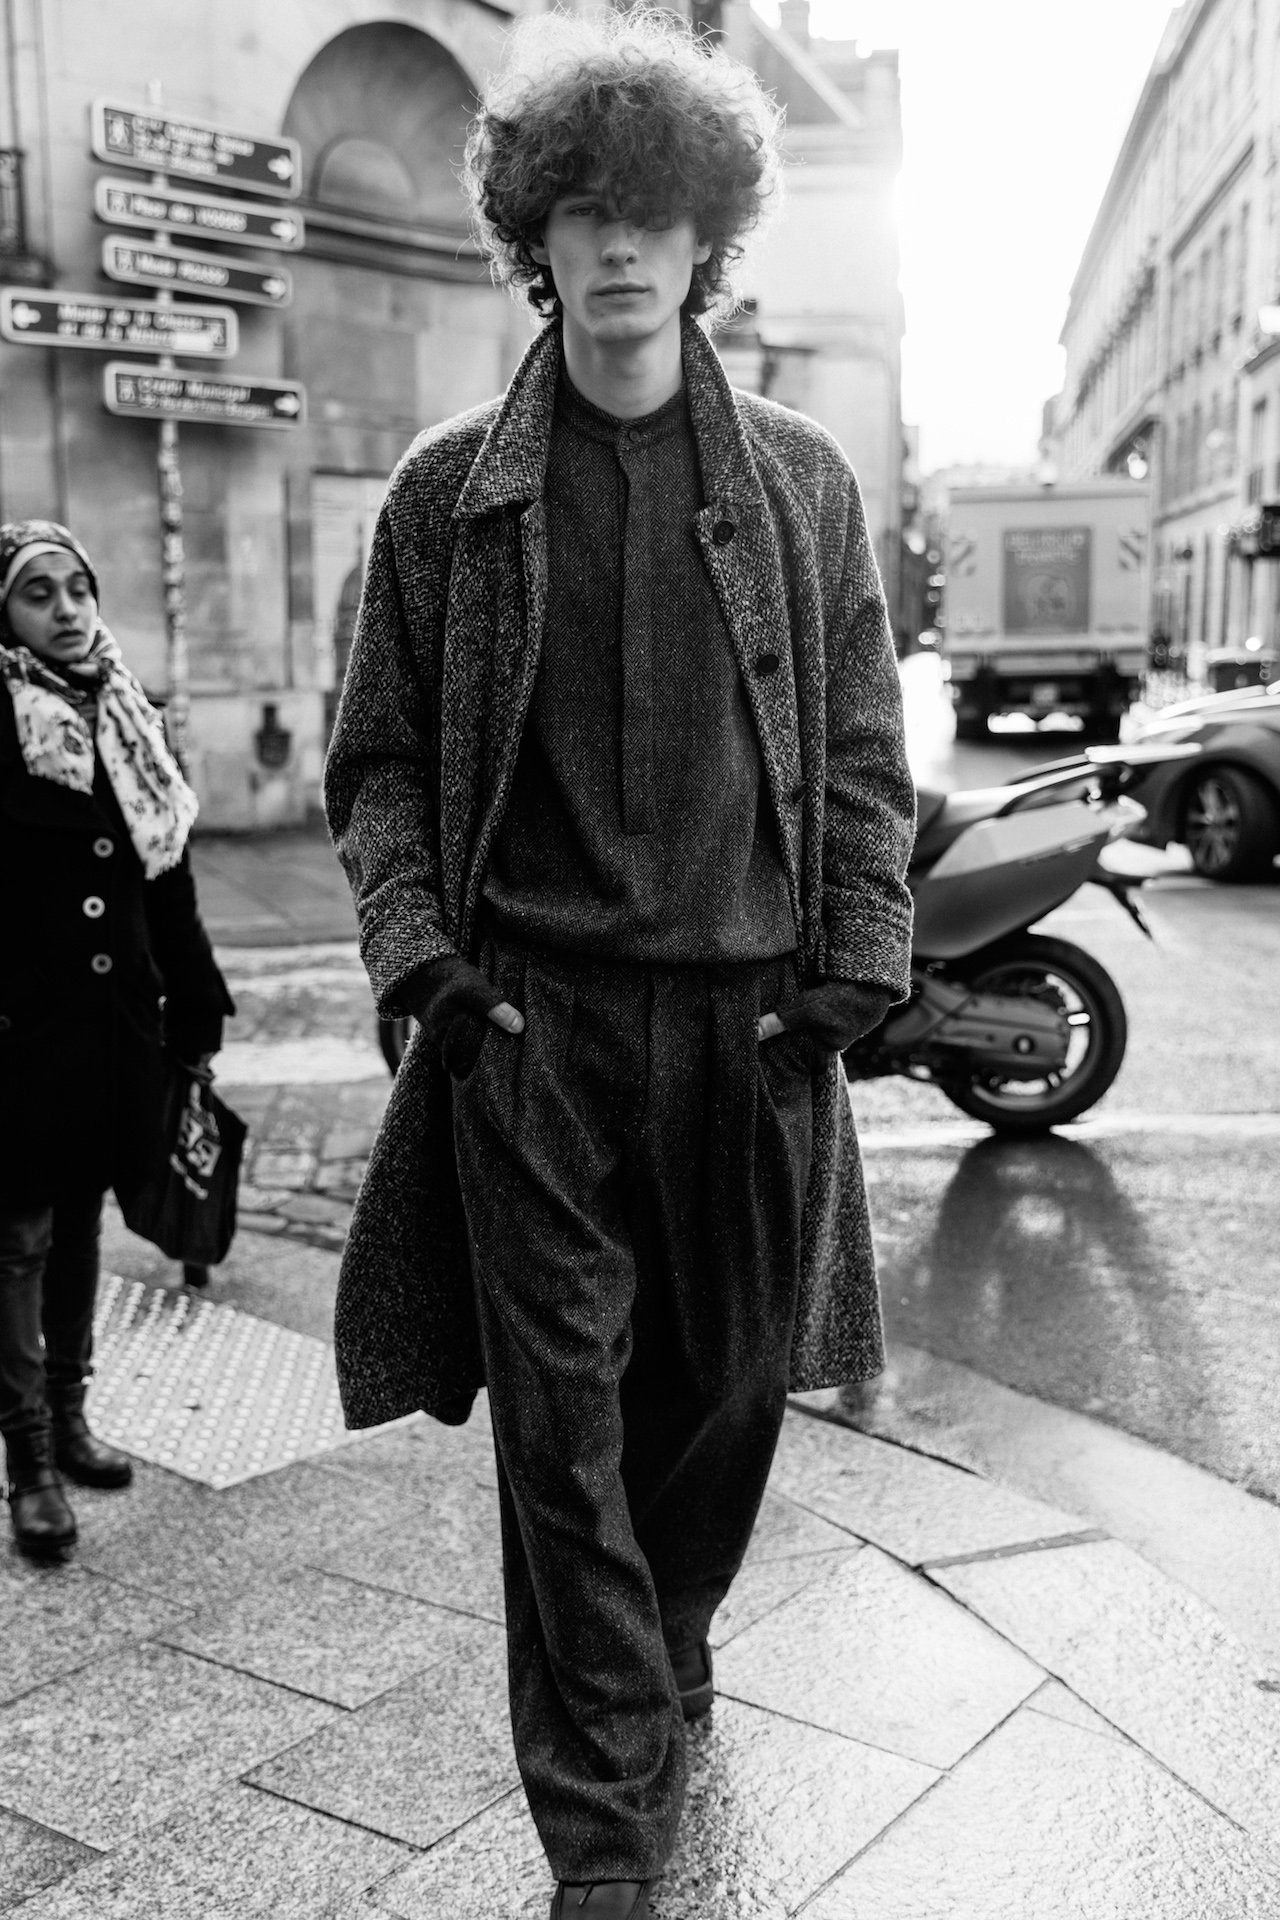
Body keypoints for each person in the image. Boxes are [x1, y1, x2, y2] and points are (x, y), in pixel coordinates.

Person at [324, 13, 915, 1917]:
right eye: (581, 212)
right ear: (535, 237)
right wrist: (427, 966)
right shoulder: (448, 494)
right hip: (535, 1030)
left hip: (750, 1027)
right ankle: (604, 1816)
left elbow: (865, 755)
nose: (619, 246)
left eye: (653, 214)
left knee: (725, 1394)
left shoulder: (803, 482)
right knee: (559, 1432)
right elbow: (379, 761)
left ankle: (667, 1628)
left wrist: (854, 964)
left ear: (708, 238)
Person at [0, 519, 233, 1559]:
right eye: (37, 592)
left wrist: (196, 1002)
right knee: (17, 1238)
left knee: (82, 1225)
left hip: (113, 1029)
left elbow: (167, 879)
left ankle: (71, 1413)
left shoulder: (130, 713)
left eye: (78, 587)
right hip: (20, 1034)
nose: (66, 608)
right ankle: (28, 1461)